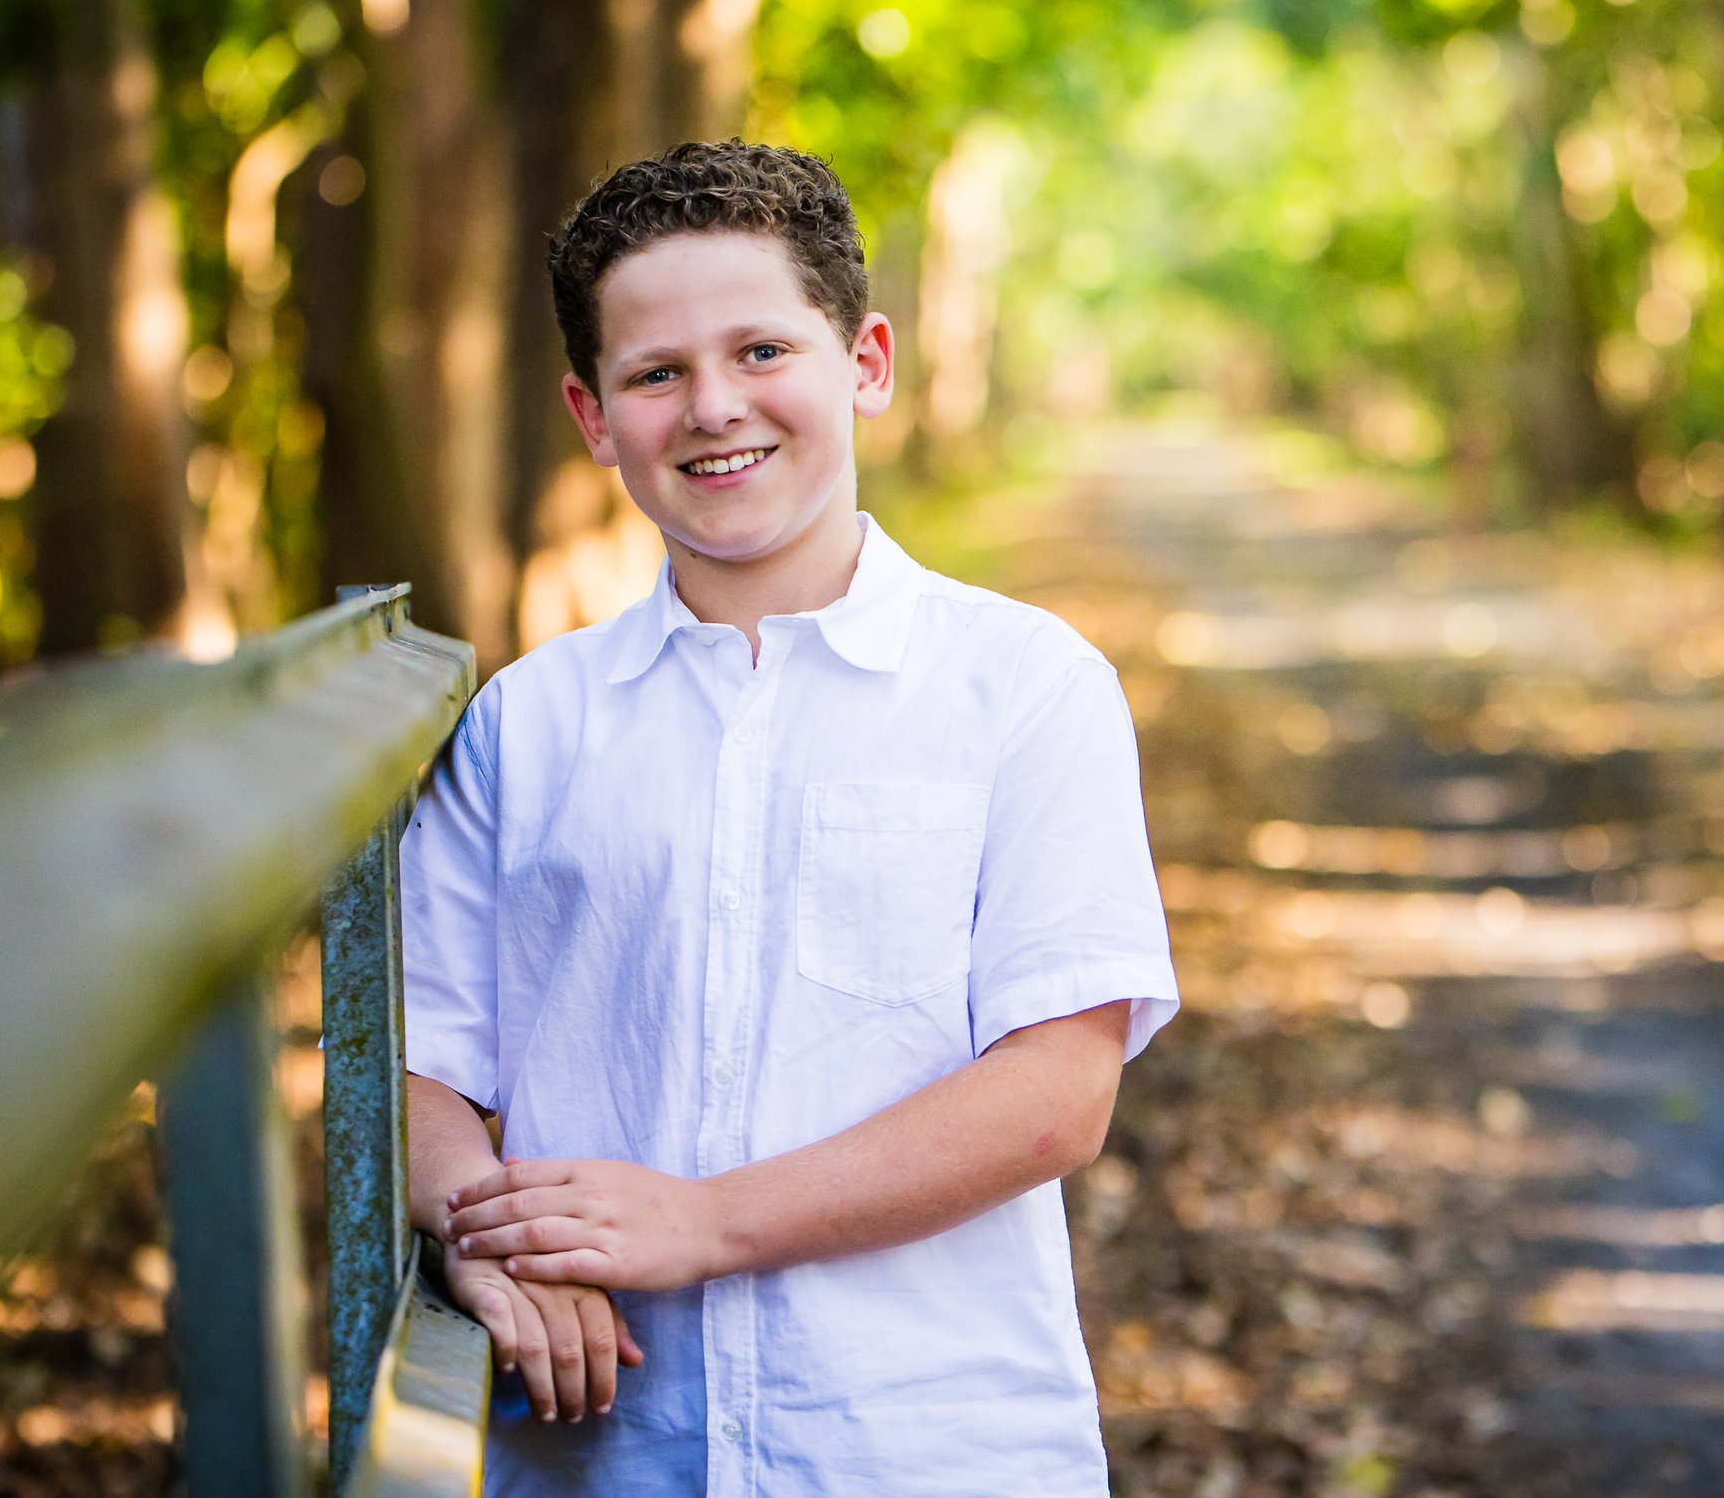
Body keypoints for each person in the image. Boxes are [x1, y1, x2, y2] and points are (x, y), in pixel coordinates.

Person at [398, 139, 1180, 1496]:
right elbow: (416, 1068)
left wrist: (705, 1225)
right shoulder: (528, 727)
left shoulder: (1025, 686)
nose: (713, 406)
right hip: (606, 1455)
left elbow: (1056, 1097)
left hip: (925, 1446)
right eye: (656, 373)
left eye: (762, 351)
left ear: (864, 362)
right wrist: (481, 1231)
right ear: (593, 416)